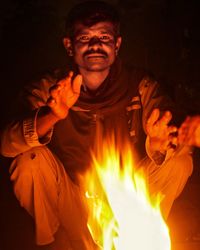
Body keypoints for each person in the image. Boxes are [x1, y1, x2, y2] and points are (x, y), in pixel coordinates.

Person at [0, 1, 193, 249]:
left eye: (104, 36)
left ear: (117, 45)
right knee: (29, 161)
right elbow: (5, 144)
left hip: (128, 196)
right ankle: (53, 242)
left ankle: (140, 236)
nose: (95, 45)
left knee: (178, 160)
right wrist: (52, 114)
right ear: (69, 45)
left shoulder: (140, 85)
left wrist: (159, 142)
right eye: (84, 37)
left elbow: (168, 119)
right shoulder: (50, 88)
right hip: (72, 202)